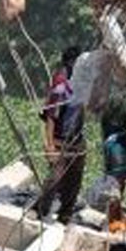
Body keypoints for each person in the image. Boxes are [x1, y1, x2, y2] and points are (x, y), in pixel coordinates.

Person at [33, 51, 87, 221]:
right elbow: (51, 118)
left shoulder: (78, 85)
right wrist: (50, 146)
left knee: (74, 181)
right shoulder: (60, 86)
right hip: (60, 141)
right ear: (70, 63)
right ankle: (40, 210)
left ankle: (65, 214)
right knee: (55, 178)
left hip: (77, 141)